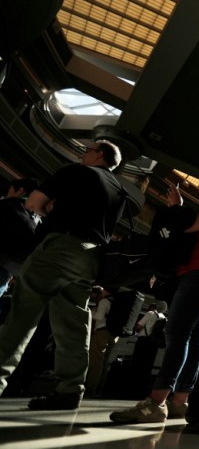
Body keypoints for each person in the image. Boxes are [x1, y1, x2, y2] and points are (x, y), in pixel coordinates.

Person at [0, 140, 125, 410]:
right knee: (73, 324)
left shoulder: (76, 171)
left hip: (60, 247)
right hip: (90, 257)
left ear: (99, 155)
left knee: (22, 314)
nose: (83, 154)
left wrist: (48, 211)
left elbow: (33, 203)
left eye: (88, 150)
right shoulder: (119, 190)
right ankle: (70, 389)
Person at [110, 182, 199, 423]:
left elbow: (187, 225)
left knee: (177, 331)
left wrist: (178, 207)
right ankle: (180, 402)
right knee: (192, 335)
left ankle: (156, 402)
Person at [0, 177, 39, 299]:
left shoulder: (5, 205)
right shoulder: (34, 219)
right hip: (11, 270)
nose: (8, 193)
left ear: (20, 191)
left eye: (10, 190)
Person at [84, 286, 114, 396]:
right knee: (103, 363)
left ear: (99, 293)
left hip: (102, 333)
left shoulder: (103, 301)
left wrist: (90, 312)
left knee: (95, 363)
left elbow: (100, 317)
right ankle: (99, 389)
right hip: (112, 334)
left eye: (95, 297)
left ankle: (90, 389)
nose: (95, 299)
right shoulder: (113, 301)